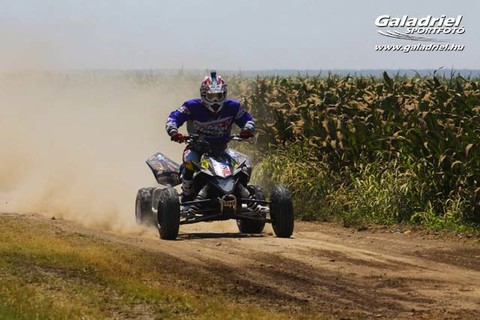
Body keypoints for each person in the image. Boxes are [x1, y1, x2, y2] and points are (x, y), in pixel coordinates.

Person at [165, 71, 255, 202]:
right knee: (190, 160)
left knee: (245, 163)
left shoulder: (233, 107)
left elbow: (249, 120)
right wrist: (173, 131)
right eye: (211, 96)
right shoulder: (191, 106)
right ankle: (187, 196)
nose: (215, 100)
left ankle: (242, 194)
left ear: (224, 94)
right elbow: (173, 118)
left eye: (218, 95)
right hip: (197, 149)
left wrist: (247, 129)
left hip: (222, 150)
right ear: (203, 94)